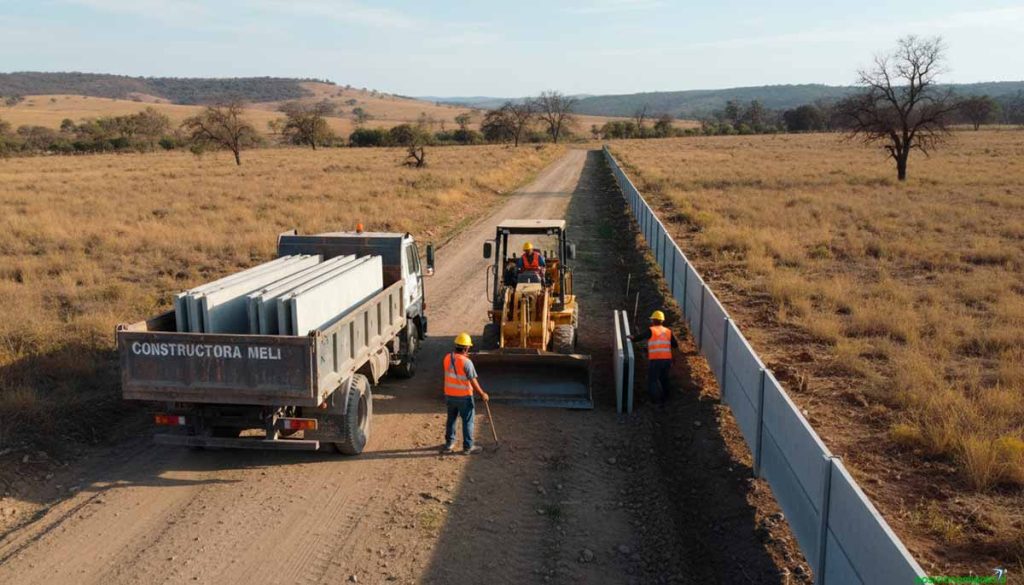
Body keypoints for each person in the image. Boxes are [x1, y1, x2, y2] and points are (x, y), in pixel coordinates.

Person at [442, 332, 490, 455]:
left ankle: (449, 444)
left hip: (449, 396)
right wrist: (482, 394)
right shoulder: (466, 362)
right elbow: (473, 381)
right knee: (468, 421)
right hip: (464, 397)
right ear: (466, 348)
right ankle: (468, 447)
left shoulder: (447, 358)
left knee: (451, 419)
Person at [627, 310, 679, 406]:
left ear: (654, 320)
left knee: (653, 380)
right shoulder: (668, 331)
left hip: (656, 360)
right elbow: (675, 345)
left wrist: (632, 338)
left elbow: (640, 337)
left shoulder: (651, 330)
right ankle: (666, 398)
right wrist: (673, 359)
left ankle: (655, 401)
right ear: (662, 321)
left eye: (652, 319)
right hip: (667, 360)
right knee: (664, 379)